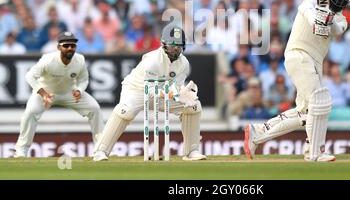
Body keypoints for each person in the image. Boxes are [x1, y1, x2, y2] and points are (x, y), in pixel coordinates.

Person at [244, 0, 350, 162]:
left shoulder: (341, 18)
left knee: (305, 112)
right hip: (298, 53)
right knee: (319, 101)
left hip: (315, 63)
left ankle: (258, 133)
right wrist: (317, 19)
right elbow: (306, 9)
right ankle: (316, 152)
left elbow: (337, 29)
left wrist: (327, 21)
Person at [93, 25, 207, 161]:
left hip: (162, 92)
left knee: (193, 106)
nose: (175, 49)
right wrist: (173, 94)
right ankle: (101, 151)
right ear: (164, 44)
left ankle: (191, 151)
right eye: (172, 45)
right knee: (125, 111)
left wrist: (183, 93)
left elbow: (175, 87)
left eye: (178, 46)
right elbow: (151, 91)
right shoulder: (153, 61)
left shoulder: (184, 63)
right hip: (138, 90)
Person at [14, 31, 103, 157]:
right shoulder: (48, 59)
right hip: (45, 93)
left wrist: (79, 90)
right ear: (58, 47)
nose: (70, 48)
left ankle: (100, 150)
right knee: (30, 113)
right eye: (66, 45)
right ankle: (21, 150)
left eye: (73, 46)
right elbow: (30, 76)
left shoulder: (80, 59)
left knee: (94, 108)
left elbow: (83, 79)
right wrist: (44, 94)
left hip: (69, 93)